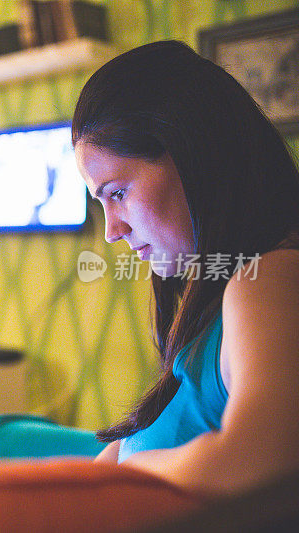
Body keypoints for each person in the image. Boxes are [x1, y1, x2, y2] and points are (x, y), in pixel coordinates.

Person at [71, 40, 299, 496]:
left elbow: (263, 460)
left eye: (117, 193)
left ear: (192, 153)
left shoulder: (266, 280)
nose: (112, 230)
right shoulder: (223, 289)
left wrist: (119, 479)